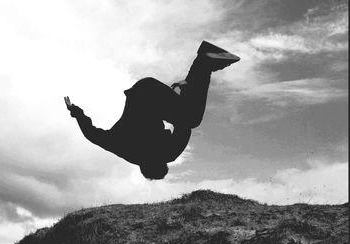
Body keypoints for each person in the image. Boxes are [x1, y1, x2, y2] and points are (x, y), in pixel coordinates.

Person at [65, 41, 240, 180]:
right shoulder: (122, 148)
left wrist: (187, 93)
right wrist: (76, 112)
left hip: (150, 97)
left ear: (161, 163)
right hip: (143, 90)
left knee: (192, 119)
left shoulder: (167, 153)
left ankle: (204, 62)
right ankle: (203, 64)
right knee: (188, 116)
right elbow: (91, 134)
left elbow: (184, 126)